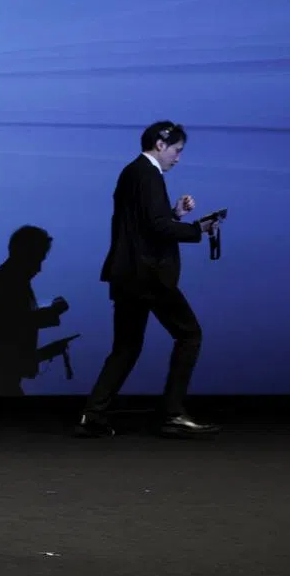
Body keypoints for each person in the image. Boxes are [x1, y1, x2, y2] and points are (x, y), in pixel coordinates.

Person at [76, 121, 221, 438]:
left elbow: (146, 224)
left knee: (126, 346)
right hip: (149, 276)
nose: (178, 158)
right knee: (189, 334)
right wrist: (199, 228)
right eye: (177, 150)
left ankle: (93, 415)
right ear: (160, 144)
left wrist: (174, 215)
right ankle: (172, 413)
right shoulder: (149, 174)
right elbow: (156, 228)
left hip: (127, 275)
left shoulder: (133, 172)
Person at [0, 226, 73, 396]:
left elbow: (11, 329)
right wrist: (52, 313)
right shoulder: (9, 282)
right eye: (37, 259)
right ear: (26, 254)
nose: (39, 268)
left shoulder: (9, 280)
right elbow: (14, 324)